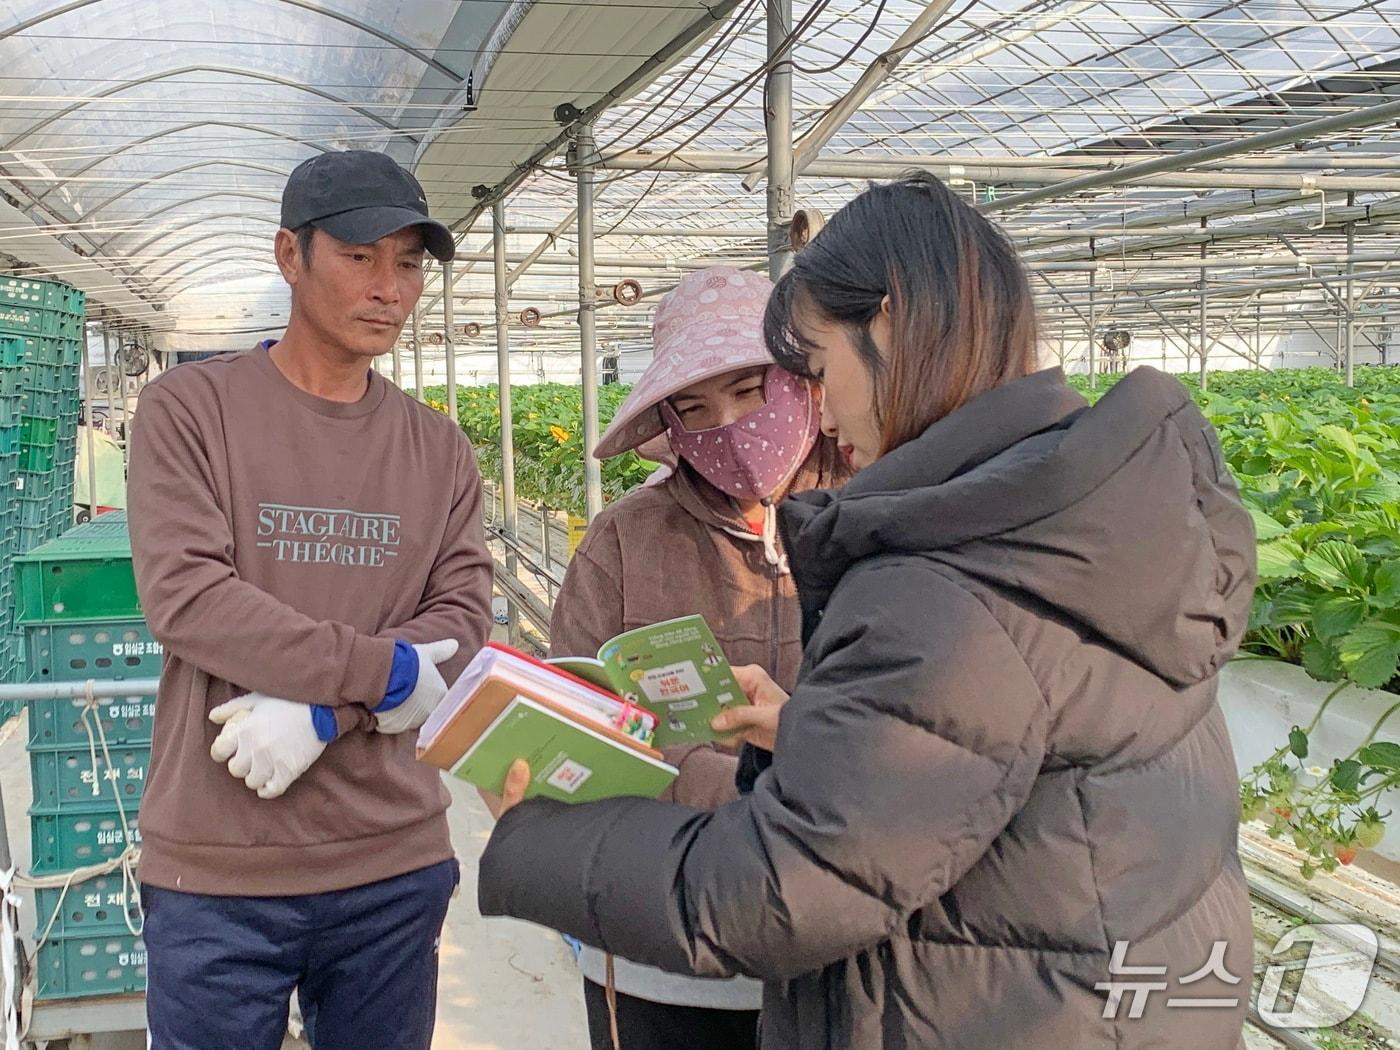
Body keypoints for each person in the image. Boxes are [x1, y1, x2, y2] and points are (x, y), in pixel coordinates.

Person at [476, 173, 1257, 1048]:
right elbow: (985, 759)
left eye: (812, 368)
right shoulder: (1087, 512)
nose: (825, 402)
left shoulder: (934, 571)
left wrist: (537, 840)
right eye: (695, 408)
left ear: (885, 321)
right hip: (1095, 993)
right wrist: (814, 734)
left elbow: (783, 891)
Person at [127, 150, 494, 1050]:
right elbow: (189, 598)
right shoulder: (190, 410)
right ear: (291, 256)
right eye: (362, 256)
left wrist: (328, 715)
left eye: (409, 263)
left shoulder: (436, 447)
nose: (390, 289)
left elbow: (462, 624)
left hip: (391, 861)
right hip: (219, 869)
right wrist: (383, 676)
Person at [547, 266, 848, 1050]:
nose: (730, 424)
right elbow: (576, 722)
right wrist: (733, 784)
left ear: (804, 384)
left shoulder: (873, 515)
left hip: (844, 951)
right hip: (663, 946)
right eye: (695, 408)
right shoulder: (624, 542)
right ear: (669, 427)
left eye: (751, 391)